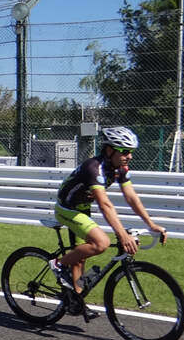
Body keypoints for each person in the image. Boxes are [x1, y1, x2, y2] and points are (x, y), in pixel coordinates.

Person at [49, 126, 168, 320]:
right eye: (125, 151)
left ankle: (75, 301)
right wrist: (122, 234)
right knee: (101, 243)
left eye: (131, 152)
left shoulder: (119, 169)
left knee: (80, 257)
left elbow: (131, 198)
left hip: (82, 208)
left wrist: (151, 224)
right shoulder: (93, 168)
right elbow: (105, 204)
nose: (129, 156)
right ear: (109, 150)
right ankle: (58, 264)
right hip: (67, 208)